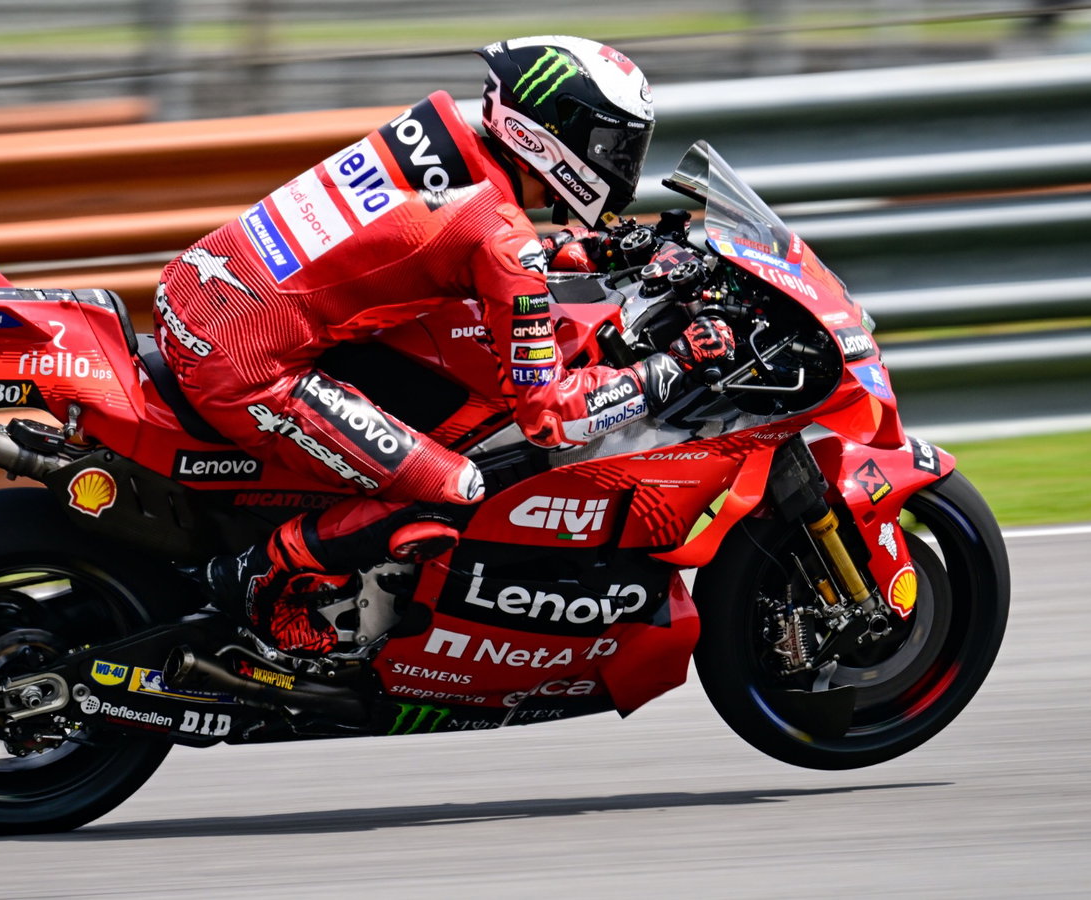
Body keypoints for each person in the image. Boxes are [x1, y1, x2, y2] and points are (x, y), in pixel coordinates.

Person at [154, 35, 736, 655]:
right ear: (549, 130)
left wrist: (596, 250)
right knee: (460, 488)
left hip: (194, 292)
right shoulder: (502, 240)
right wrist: (670, 368)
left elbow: (427, 236)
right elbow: (547, 417)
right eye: (610, 145)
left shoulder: (437, 135)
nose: (620, 162)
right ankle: (256, 580)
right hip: (244, 366)